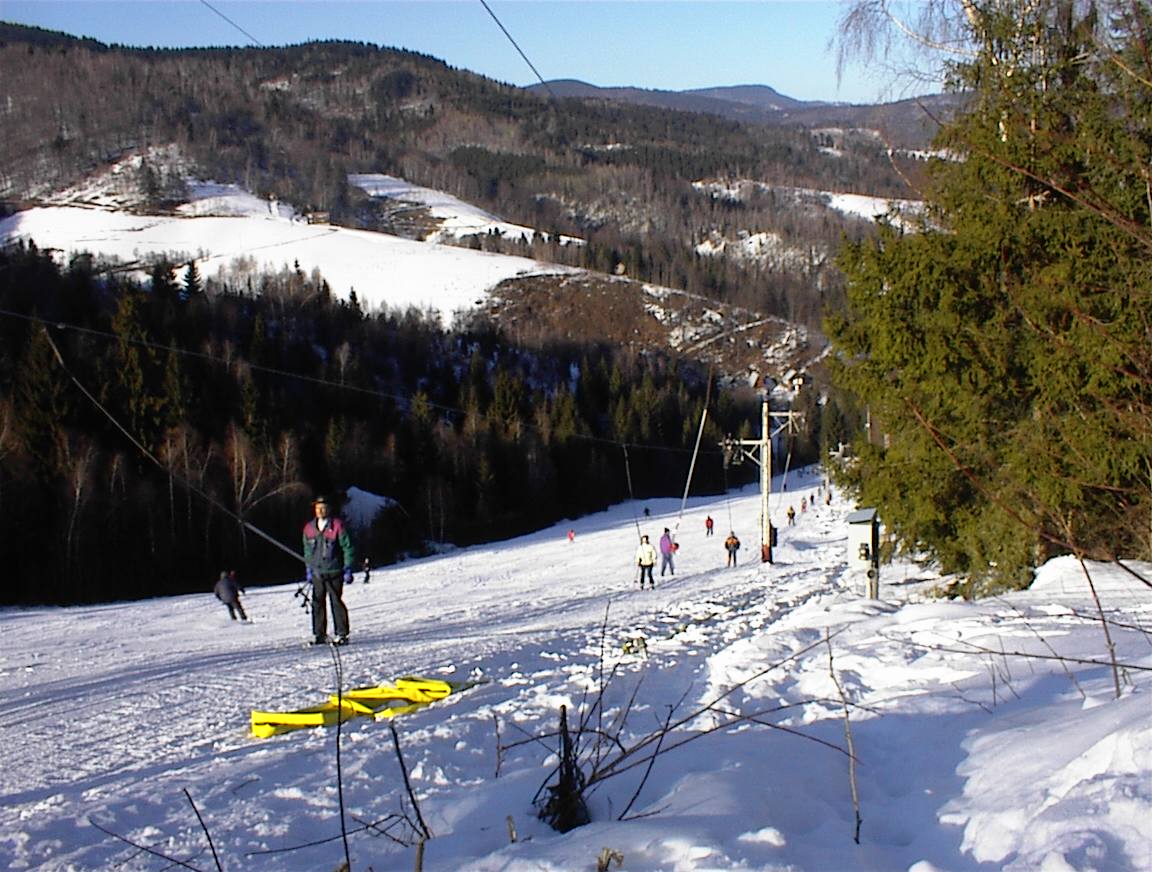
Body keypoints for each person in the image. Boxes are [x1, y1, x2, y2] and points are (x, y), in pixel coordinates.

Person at [302, 494, 355, 646]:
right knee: (317, 603)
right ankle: (319, 634)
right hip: (317, 573)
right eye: (318, 508)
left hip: (334, 571)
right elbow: (307, 551)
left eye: (323, 508)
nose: (320, 510)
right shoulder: (309, 529)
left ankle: (342, 633)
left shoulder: (337, 526)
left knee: (335, 601)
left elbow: (348, 547)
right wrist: (309, 568)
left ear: (329, 509)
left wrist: (348, 567)